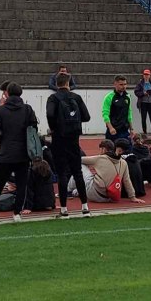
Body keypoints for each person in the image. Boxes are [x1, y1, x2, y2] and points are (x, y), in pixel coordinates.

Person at [0, 82, 39, 222]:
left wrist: (2, 143)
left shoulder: (1, 110)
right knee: (22, 184)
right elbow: (33, 129)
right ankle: (17, 213)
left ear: (7, 93)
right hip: (23, 152)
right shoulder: (27, 109)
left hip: (6, 152)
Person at [45, 71, 92, 218]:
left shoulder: (53, 98)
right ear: (68, 83)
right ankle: (85, 207)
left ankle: (64, 209)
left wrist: (54, 127)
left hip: (59, 139)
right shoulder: (76, 97)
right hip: (73, 139)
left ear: (57, 83)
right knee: (77, 172)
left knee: (62, 174)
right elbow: (87, 117)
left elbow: (50, 114)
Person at [79, 139, 142, 203]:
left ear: (104, 149)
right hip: (110, 197)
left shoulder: (100, 158)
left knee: (81, 166)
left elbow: (78, 159)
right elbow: (127, 180)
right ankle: (77, 191)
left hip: (93, 194)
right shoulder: (124, 163)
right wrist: (132, 197)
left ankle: (74, 190)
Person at [101, 75, 133, 146]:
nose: (124, 86)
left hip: (124, 130)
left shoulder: (127, 97)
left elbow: (129, 113)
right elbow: (105, 114)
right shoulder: (109, 97)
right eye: (121, 84)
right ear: (115, 84)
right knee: (112, 150)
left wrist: (131, 128)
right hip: (113, 130)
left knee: (128, 150)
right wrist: (111, 128)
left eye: (125, 84)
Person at [134, 69, 151, 135]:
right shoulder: (140, 83)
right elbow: (136, 92)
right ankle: (144, 131)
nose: (146, 76)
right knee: (143, 118)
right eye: (145, 74)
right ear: (143, 75)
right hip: (143, 102)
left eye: (147, 75)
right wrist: (143, 93)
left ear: (149, 75)